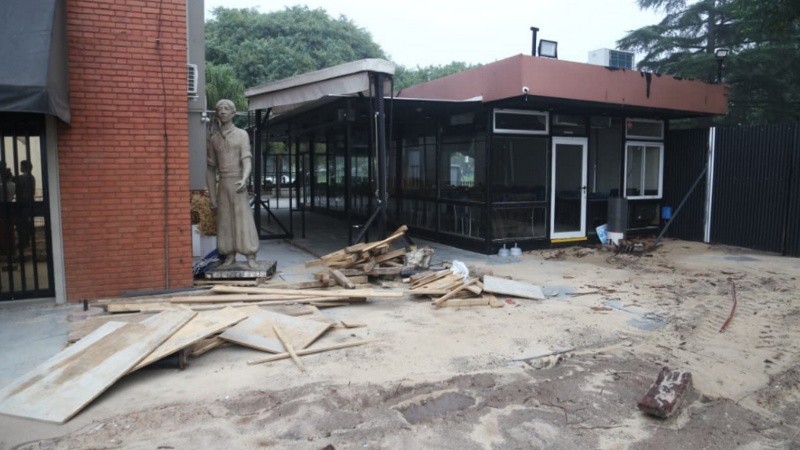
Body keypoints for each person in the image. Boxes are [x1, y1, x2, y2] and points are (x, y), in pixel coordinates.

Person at [206, 99, 259, 267]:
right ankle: (229, 254)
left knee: (243, 218)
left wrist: (244, 178)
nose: (223, 111)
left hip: (237, 183)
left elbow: (247, 160)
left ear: (233, 113)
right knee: (225, 220)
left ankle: (250, 254)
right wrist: (212, 196)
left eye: (226, 108)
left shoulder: (242, 134)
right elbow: (210, 169)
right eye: (220, 109)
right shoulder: (214, 139)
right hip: (223, 184)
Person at [15, 160, 35, 250]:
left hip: (22, 203)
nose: (20, 167)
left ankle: (23, 242)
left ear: (24, 167)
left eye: (21, 166)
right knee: (26, 223)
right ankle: (26, 241)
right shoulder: (32, 177)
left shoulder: (21, 178)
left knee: (21, 224)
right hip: (29, 202)